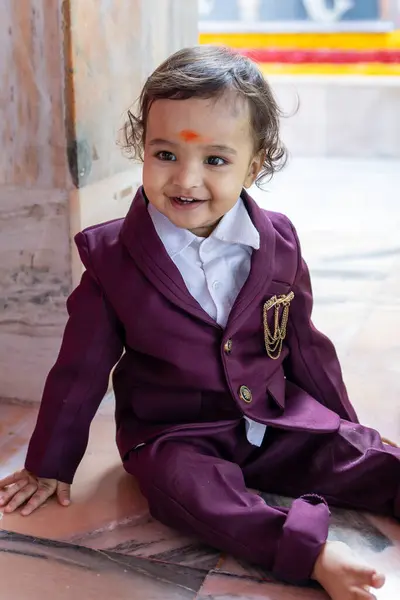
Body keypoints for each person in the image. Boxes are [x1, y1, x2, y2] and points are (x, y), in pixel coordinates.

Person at [0, 45, 398, 600]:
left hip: (274, 422)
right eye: (165, 153)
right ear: (143, 148)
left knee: (371, 458)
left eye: (215, 160)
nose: (186, 179)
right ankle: (311, 552)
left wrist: (343, 424)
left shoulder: (277, 241)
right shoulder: (114, 257)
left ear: (254, 165)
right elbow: (79, 369)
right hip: (175, 436)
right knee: (187, 494)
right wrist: (50, 462)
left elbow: (304, 343)